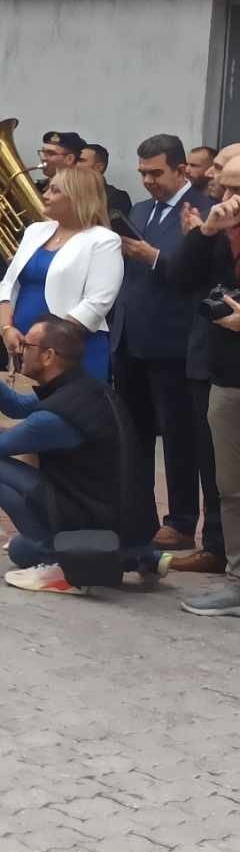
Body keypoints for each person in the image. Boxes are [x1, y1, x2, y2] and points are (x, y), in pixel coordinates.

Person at [0, 317, 167, 594]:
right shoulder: (87, 388)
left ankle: (61, 564)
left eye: (27, 345)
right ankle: (140, 557)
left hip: (94, 516)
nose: (19, 350)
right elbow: (17, 406)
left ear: (49, 356)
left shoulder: (54, 417)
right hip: (125, 519)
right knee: (20, 547)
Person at [114, 135, 215, 554]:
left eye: (156, 173)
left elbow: (197, 276)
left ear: (180, 169)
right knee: (133, 435)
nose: (148, 181)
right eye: (142, 174)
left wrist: (152, 255)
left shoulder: (203, 212)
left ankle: (181, 520)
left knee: (178, 437)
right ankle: (139, 515)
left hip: (173, 341)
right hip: (131, 338)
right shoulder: (140, 210)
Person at [167, 167, 240, 609]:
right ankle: (237, 581)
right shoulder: (221, 233)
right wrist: (207, 231)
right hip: (227, 377)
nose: (226, 197)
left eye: (236, 188)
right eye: (224, 188)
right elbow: (180, 279)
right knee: (230, 488)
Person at [0, 167, 123, 387]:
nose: (45, 195)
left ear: (77, 197)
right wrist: (6, 329)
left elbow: (98, 302)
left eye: (55, 190)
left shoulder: (103, 240)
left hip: (73, 347)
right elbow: (9, 283)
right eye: (47, 188)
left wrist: (47, 341)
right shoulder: (35, 230)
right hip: (25, 347)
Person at [76, 142, 134, 223]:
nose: (75, 165)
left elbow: (117, 232)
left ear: (99, 167)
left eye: (81, 161)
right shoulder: (67, 194)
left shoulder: (116, 197)